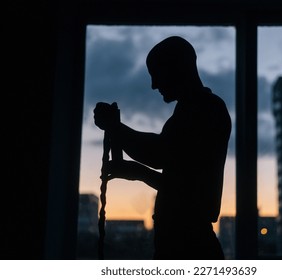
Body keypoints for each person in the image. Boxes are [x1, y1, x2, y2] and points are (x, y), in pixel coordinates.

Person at [94, 36, 231, 260]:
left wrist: (116, 129)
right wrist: (134, 168)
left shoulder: (206, 109)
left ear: (177, 68)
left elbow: (159, 154)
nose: (154, 85)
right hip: (186, 241)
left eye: (156, 74)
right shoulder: (196, 110)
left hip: (189, 245)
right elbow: (180, 183)